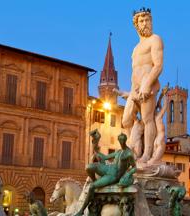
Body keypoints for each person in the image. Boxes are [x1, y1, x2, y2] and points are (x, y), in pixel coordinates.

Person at [122, 7, 164, 163]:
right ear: (136, 25)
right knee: (126, 120)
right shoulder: (135, 49)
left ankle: (146, 154)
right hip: (135, 88)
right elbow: (135, 71)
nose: (146, 23)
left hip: (149, 84)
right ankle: (132, 150)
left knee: (147, 119)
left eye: (148, 20)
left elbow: (158, 65)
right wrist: (131, 91)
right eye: (142, 21)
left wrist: (147, 83)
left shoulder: (155, 39)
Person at [76, 133, 136, 215]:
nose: (121, 141)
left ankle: (81, 210)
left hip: (114, 176)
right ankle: (95, 181)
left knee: (92, 186)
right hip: (109, 168)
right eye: (120, 140)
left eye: (123, 140)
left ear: (125, 140)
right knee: (89, 167)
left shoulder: (129, 153)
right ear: (118, 140)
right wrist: (95, 143)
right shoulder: (118, 152)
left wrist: (128, 174)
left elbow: (134, 167)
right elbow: (104, 157)